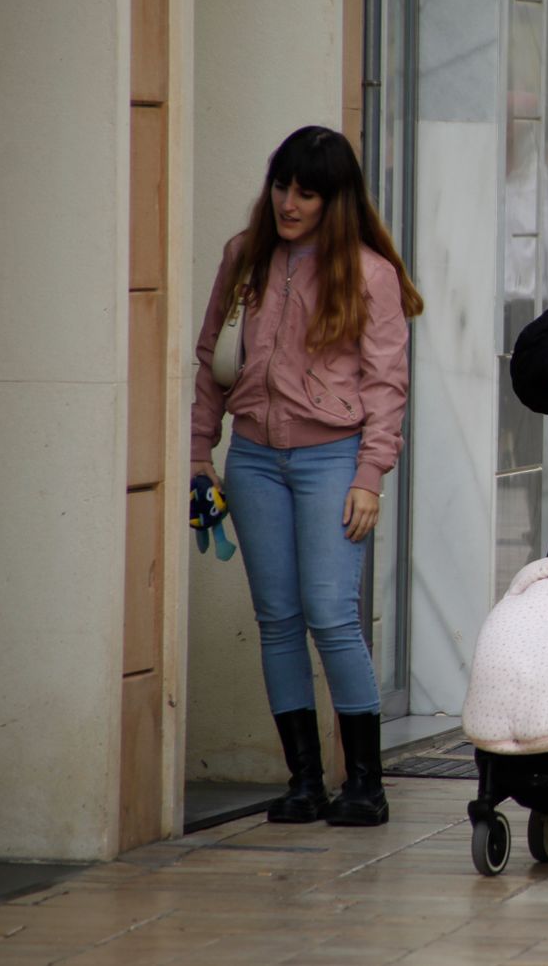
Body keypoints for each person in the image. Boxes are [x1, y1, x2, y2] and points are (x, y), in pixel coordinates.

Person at [192, 125, 424, 827]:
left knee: (331, 615)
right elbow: (212, 361)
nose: (289, 203)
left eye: (307, 192)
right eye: (281, 186)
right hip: (253, 459)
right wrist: (200, 454)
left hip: (333, 460)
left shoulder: (369, 274)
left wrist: (369, 474)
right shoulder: (244, 257)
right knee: (278, 620)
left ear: (335, 199)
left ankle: (366, 784)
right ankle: (304, 782)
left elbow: (387, 385)